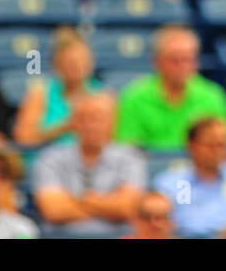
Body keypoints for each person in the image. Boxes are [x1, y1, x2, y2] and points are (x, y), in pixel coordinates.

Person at [33, 92, 147, 236]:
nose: (93, 126)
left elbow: (127, 208)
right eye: (86, 119)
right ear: (74, 123)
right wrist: (108, 207)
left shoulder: (131, 158)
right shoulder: (50, 158)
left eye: (101, 119)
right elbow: (54, 210)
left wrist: (79, 199)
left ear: (112, 122)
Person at [116, 25, 226, 150]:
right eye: (174, 60)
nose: (182, 66)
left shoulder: (213, 97)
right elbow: (128, 150)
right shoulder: (134, 98)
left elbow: (222, 148)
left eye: (187, 59)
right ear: (156, 61)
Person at [153, 116, 226, 238]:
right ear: (192, 145)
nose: (217, 151)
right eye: (210, 145)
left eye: (222, 145)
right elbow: (159, 226)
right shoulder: (168, 183)